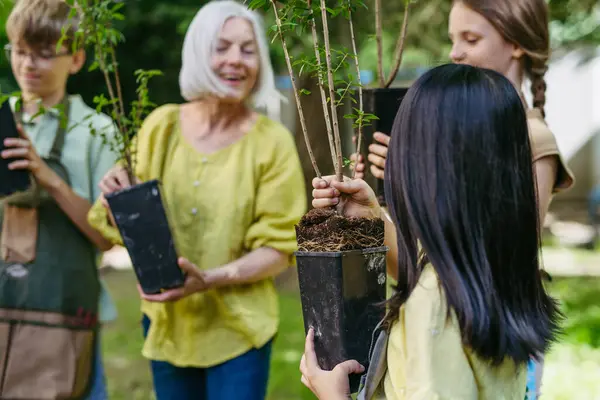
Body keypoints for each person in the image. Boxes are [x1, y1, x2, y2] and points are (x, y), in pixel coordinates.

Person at [352, 0, 574, 396]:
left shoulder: (532, 138)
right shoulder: (433, 299)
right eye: (453, 38)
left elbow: (490, 253)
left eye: (470, 38)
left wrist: (414, 170)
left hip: (483, 325)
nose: (455, 51)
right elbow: (431, 259)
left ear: (517, 44)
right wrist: (380, 207)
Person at [301, 63, 561, 400]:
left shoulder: (435, 307)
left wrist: (333, 397)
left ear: (428, 173)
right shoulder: (492, 269)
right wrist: (373, 215)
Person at [87, 1, 306, 399]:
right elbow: (125, 223)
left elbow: (279, 247)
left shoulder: (271, 143)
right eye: (221, 47)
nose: (235, 61)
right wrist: (115, 197)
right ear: (198, 54)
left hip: (240, 330)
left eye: (248, 49)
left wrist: (212, 279)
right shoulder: (161, 126)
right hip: (169, 323)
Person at [0, 0, 118, 398]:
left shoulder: (96, 131)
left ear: (77, 59)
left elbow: (107, 238)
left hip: (67, 320)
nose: (28, 65)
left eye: (45, 55)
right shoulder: (2, 117)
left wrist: (49, 179)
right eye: (19, 51)